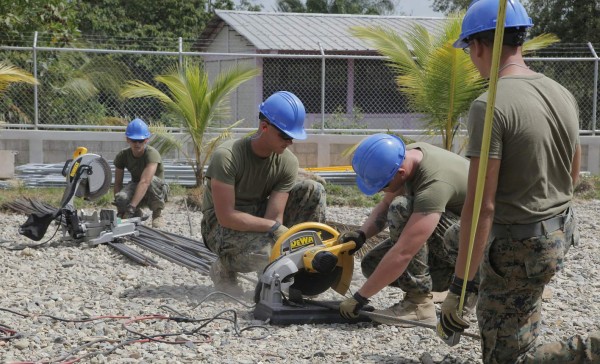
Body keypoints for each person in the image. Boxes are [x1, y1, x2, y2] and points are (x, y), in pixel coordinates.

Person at [438, 0, 600, 362]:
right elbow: (572, 174)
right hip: (558, 235)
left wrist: (458, 288)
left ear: (478, 46)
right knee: (451, 238)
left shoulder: (489, 104)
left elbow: (482, 206)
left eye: (468, 50)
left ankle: (590, 350)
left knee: (507, 359)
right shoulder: (562, 92)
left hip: (519, 249)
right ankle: (505, 304)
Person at [338, 133, 473, 327]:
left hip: (476, 255)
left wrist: (360, 297)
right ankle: (443, 289)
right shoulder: (406, 156)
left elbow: (404, 251)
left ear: (400, 172)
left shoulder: (434, 184)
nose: (381, 191)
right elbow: (385, 204)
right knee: (372, 264)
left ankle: (419, 305)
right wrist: (361, 235)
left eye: (383, 185)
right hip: (455, 243)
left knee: (401, 207)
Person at [201, 91, 327, 296]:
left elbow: (273, 216)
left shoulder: (287, 162)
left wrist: (285, 243)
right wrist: (276, 233)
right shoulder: (228, 156)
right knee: (266, 253)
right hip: (219, 226)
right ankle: (225, 266)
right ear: (264, 126)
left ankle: (305, 269)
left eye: (292, 137)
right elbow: (226, 216)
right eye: (285, 136)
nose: (290, 142)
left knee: (313, 190)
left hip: (259, 217)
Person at [114, 118, 168, 229]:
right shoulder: (122, 156)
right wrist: (120, 209)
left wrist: (131, 207)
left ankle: (157, 215)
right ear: (128, 139)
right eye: (134, 140)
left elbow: (145, 182)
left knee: (151, 180)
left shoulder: (152, 154)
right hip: (137, 186)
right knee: (120, 197)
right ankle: (136, 213)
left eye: (140, 140)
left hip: (156, 190)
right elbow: (118, 183)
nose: (137, 144)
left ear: (146, 140)